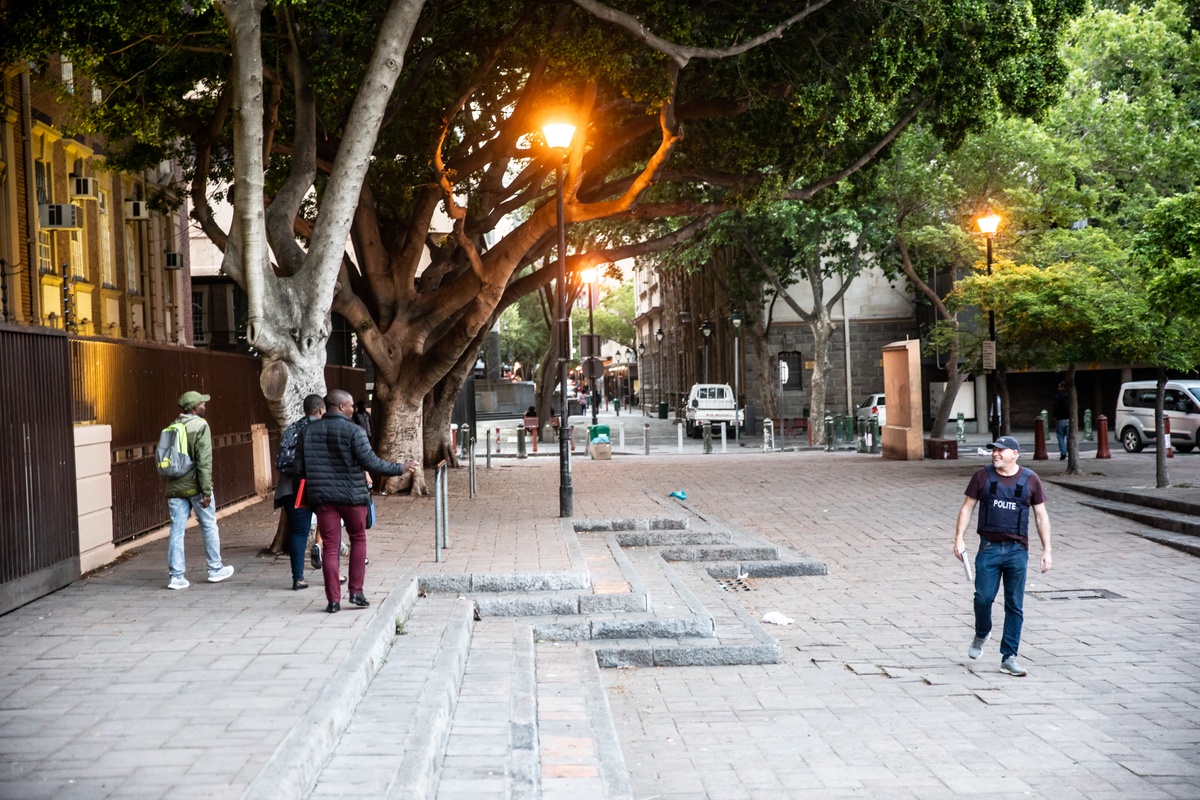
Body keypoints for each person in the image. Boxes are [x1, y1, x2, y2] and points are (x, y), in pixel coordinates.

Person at [295, 390, 415, 613]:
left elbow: (299, 469)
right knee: (358, 539)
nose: (354, 409)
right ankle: (356, 593)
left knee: (330, 547)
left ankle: (333, 601)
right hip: (352, 497)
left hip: (323, 498)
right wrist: (400, 468)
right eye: (350, 405)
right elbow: (372, 463)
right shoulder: (354, 431)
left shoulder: (307, 432)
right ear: (341, 407)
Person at [953, 435, 1053, 677]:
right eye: (993, 450)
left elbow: (1041, 516)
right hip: (988, 549)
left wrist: (1047, 549)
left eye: (1001, 450)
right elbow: (967, 508)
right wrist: (959, 538)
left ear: (1014, 454)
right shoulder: (982, 476)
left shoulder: (1031, 480)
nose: (995, 454)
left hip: (1017, 551)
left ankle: (1009, 657)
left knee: (1014, 605)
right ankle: (982, 632)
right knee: (983, 599)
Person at [165, 391, 234, 589]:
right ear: (195, 408)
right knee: (209, 525)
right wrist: (206, 490)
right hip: (195, 486)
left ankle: (176, 577)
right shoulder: (201, 426)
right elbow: (204, 461)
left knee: (176, 531)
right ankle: (215, 568)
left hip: (174, 487)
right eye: (202, 404)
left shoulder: (172, 426)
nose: (205, 406)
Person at [273, 394, 325, 590]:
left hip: (291, 489)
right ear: (321, 410)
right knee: (330, 528)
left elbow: (281, 462)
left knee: (299, 532)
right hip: (320, 487)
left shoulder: (292, 429)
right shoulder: (322, 428)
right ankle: (333, 574)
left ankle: (298, 578)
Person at [1052, 381, 1070, 460]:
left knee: (1060, 436)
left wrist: (1055, 416)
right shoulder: (1070, 396)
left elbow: (1055, 407)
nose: (1058, 388)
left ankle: (1063, 452)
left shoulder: (1057, 396)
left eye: (1059, 386)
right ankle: (1070, 452)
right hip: (1069, 418)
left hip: (1060, 419)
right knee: (1069, 437)